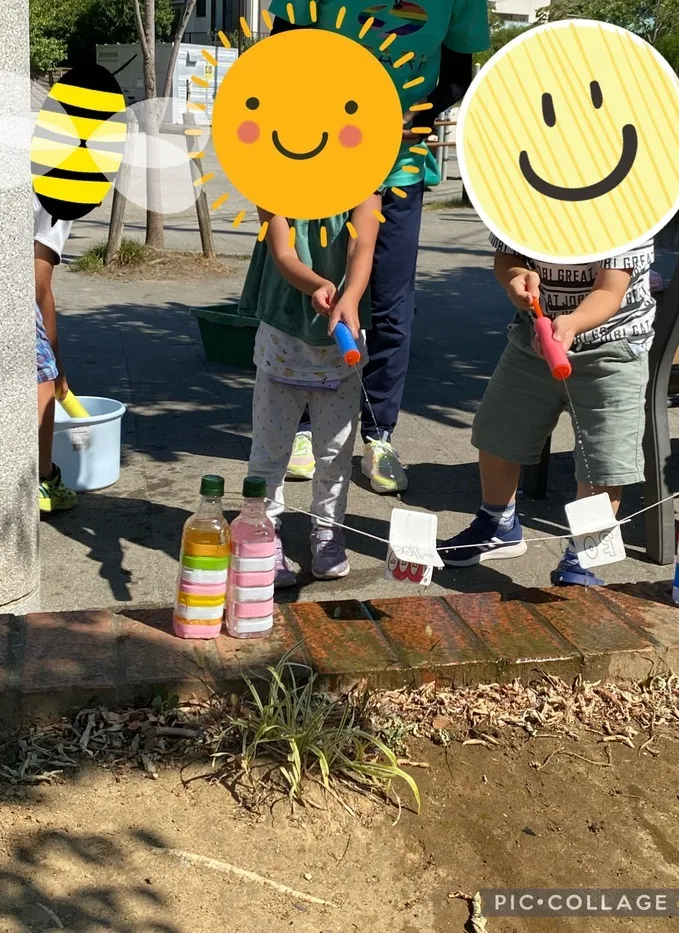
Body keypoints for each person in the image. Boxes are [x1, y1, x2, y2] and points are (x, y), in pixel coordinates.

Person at [272, 0, 490, 494]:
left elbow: (457, 75)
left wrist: (415, 114)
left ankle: (379, 435)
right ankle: (303, 429)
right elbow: (282, 49)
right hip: (319, 151)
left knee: (390, 302)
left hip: (398, 165)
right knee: (318, 290)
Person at [440, 234, 655, 586]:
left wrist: (572, 323)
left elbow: (609, 291)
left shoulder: (626, 212)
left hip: (613, 348)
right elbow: (506, 257)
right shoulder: (523, 202)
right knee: (497, 432)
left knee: (604, 461)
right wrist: (514, 278)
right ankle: (498, 523)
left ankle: (582, 557)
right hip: (533, 340)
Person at [241, 196, 380, 586]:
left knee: (335, 454)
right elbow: (283, 253)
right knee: (269, 451)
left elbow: (362, 243)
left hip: (341, 342)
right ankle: (262, 533)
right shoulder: (275, 183)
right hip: (283, 338)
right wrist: (318, 284)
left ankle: (327, 530)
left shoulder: (362, 181)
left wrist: (350, 295)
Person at [34, 195, 77, 513]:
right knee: (42, 373)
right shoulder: (58, 191)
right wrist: (58, 364)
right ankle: (43, 476)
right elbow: (37, 284)